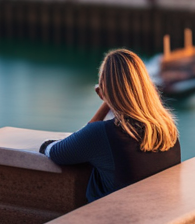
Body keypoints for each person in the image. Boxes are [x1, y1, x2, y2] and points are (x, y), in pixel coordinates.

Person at [39, 49, 181, 202]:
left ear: (104, 90)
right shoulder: (167, 128)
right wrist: (109, 98)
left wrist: (107, 100)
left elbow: (56, 152)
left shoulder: (103, 133)